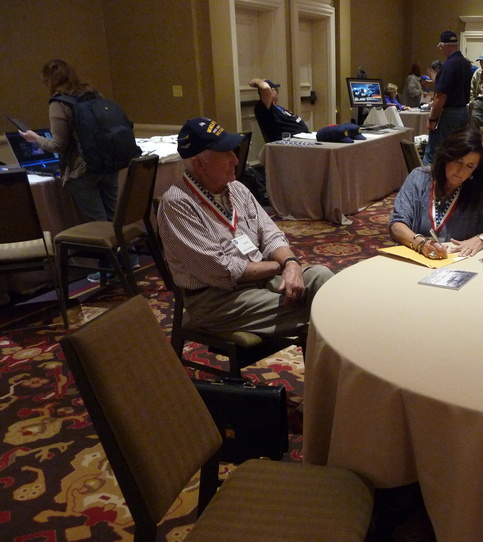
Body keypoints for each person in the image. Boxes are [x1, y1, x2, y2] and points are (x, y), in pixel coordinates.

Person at [157, 117, 332, 335]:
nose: (235, 160)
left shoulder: (236, 188)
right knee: (323, 310)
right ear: (198, 163)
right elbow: (222, 271)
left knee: (323, 279)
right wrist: (284, 266)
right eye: (226, 154)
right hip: (219, 299)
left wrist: (291, 263)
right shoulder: (177, 204)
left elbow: (271, 235)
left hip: (260, 278)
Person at [20, 58, 132, 282]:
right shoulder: (93, 94)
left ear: (49, 81)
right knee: (113, 216)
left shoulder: (59, 103)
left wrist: (36, 139)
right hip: (109, 163)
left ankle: (110, 271)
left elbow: (58, 146)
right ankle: (129, 261)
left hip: (82, 170)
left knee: (98, 224)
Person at [390, 128, 483, 259]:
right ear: (447, 156)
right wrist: (421, 244)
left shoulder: (478, 190)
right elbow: (396, 226)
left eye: (469, 166)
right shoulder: (419, 178)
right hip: (416, 257)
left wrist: (481, 239)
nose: (461, 171)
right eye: (458, 161)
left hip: (456, 262)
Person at [423, 30, 473, 165]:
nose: (441, 50)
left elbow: (441, 96)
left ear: (444, 45)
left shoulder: (449, 65)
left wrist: (433, 119)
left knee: (435, 152)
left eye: (440, 46)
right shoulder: (465, 64)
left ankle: (428, 184)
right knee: (455, 151)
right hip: (462, 112)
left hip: (449, 114)